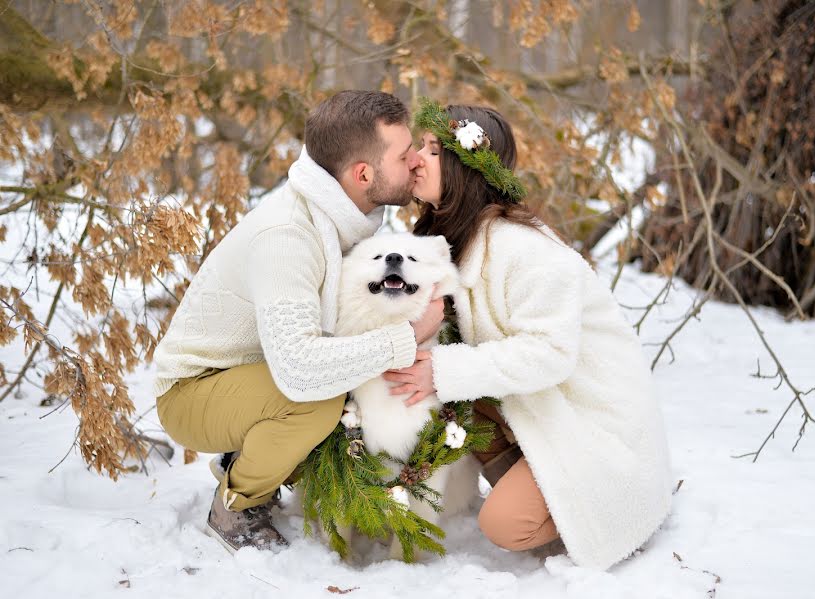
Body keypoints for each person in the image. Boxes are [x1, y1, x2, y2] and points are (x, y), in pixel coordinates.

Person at [383, 100, 673, 570]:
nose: (414, 157)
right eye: (419, 146)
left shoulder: (525, 249)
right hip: (540, 409)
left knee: (505, 525)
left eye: (432, 151)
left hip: (594, 430)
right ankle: (529, 473)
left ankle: (591, 506)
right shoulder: (454, 236)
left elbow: (551, 353)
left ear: (466, 169)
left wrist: (441, 369)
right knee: (453, 398)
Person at [153, 91, 445, 553]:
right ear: (363, 174)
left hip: (250, 376)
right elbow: (299, 368)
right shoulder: (288, 235)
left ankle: (254, 453)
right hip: (194, 391)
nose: (415, 162)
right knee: (318, 401)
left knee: (340, 385)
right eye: (404, 154)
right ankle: (236, 506)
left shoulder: (345, 216)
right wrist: (408, 336)